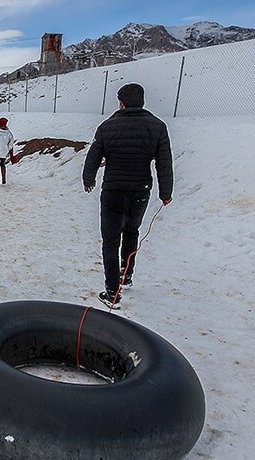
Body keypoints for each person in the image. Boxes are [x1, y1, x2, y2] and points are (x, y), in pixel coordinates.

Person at [82, 83, 173, 308]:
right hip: (140, 190)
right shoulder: (158, 127)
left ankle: (112, 292)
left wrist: (88, 178)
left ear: (121, 103)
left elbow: (93, 156)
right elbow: (164, 163)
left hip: (113, 190)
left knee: (110, 240)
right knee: (132, 230)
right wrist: (166, 193)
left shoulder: (107, 127)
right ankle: (127, 273)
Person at [0, 117, 14, 186]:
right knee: (3, 165)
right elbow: (11, 142)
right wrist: (8, 148)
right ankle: (4, 179)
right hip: (4, 152)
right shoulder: (8, 133)